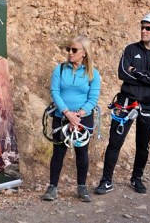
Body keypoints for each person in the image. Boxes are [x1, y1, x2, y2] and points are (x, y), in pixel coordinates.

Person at [95, 12, 150, 195]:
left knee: (143, 145)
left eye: (148, 28)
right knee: (114, 143)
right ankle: (106, 181)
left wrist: (136, 73)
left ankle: (136, 178)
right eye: (142, 27)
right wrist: (147, 77)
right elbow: (123, 73)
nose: (143, 31)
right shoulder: (131, 49)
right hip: (126, 102)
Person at [41, 36, 101, 202]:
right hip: (61, 116)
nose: (70, 53)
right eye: (69, 49)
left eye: (74, 50)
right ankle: (52, 187)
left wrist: (79, 114)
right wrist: (67, 113)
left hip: (83, 118)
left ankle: (82, 187)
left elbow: (93, 98)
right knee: (58, 152)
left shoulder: (93, 74)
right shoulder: (59, 69)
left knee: (82, 152)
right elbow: (55, 92)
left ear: (84, 53)